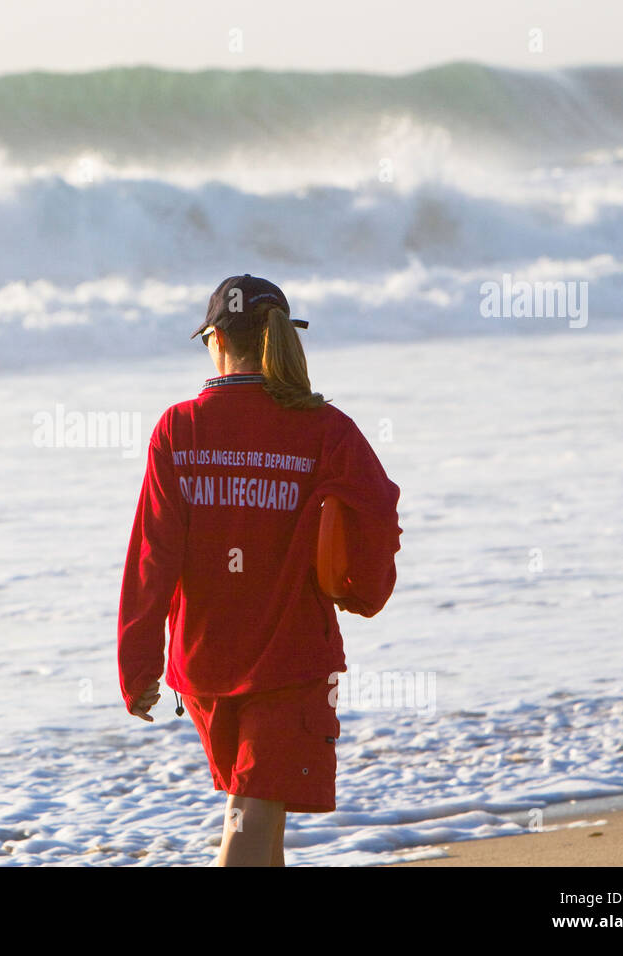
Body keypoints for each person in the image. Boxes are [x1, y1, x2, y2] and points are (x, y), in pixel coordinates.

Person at [117, 274, 401, 866]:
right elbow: (379, 512)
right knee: (251, 817)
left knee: (260, 819)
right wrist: (361, 592)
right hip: (289, 662)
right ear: (282, 339)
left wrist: (138, 661)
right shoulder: (325, 429)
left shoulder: (179, 428)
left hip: (203, 669)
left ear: (215, 338)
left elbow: (152, 555)